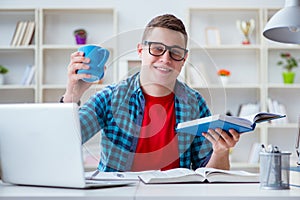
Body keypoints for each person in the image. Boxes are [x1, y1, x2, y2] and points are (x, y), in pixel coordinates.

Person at [61, 14, 240, 172]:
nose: (165, 59)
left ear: (184, 59)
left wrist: (221, 151)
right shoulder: (110, 97)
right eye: (157, 49)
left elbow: (211, 175)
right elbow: (64, 141)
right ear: (141, 50)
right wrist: (72, 95)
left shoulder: (195, 104)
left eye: (175, 53)